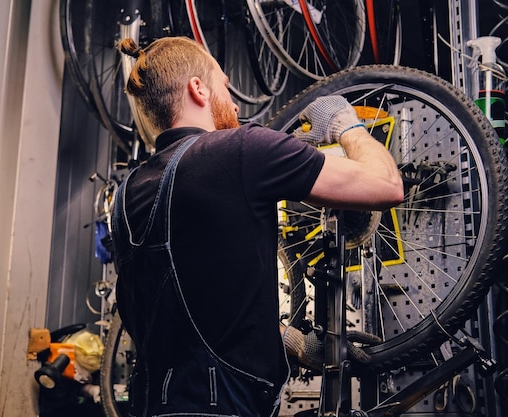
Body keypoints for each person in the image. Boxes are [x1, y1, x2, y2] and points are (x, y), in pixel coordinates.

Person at [109, 36, 403, 417]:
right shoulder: (240, 149)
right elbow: (386, 185)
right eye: (226, 87)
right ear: (197, 89)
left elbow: (193, 311)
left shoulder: (127, 193)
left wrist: (290, 342)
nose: (233, 104)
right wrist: (347, 125)